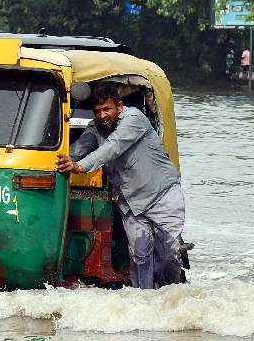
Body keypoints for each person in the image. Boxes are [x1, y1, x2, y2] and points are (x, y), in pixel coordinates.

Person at [56, 85, 185, 290]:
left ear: (120, 106)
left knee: (169, 254)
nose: (102, 115)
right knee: (140, 256)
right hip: (131, 203)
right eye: (97, 111)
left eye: (107, 109)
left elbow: (112, 148)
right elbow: (77, 150)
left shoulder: (134, 119)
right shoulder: (95, 128)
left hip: (162, 195)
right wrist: (53, 163)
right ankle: (144, 299)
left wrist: (80, 167)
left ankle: (171, 295)